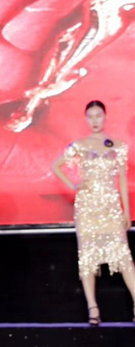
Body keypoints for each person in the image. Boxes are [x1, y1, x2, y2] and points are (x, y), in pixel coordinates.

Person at [52, 100, 135, 325]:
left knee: (124, 257)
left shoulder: (117, 146)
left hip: (110, 207)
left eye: (98, 116)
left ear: (105, 116)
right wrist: (73, 185)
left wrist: (127, 212)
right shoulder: (80, 145)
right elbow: (56, 166)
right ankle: (93, 308)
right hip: (87, 208)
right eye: (90, 116)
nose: (95, 120)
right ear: (86, 119)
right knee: (88, 258)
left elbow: (122, 181)